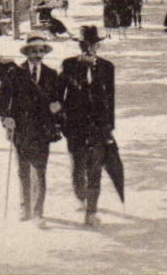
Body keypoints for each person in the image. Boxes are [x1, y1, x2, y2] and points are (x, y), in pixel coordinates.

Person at [0, 33, 64, 227]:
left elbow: (59, 99)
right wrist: (6, 118)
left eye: (40, 51)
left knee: (39, 171)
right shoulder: (15, 73)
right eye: (33, 51)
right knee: (23, 170)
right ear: (26, 53)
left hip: (42, 129)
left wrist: (57, 106)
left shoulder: (51, 74)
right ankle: (24, 207)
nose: (37, 55)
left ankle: (37, 213)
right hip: (21, 129)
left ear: (44, 53)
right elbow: (2, 100)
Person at [59, 25, 116, 228]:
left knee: (95, 170)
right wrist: (62, 123)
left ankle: (91, 211)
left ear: (97, 46)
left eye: (93, 45)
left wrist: (109, 127)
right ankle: (81, 197)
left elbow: (110, 98)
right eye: (85, 46)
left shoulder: (107, 67)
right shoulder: (68, 65)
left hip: (98, 127)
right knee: (77, 168)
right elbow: (59, 95)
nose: (90, 49)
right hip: (75, 126)